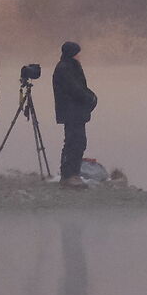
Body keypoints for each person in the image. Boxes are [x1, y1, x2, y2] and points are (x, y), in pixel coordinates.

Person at [51, 40, 96, 186]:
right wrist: (91, 98)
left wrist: (90, 97)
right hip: (71, 112)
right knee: (75, 142)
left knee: (76, 142)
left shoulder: (69, 67)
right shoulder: (66, 68)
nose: (79, 56)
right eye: (77, 53)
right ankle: (70, 175)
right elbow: (76, 90)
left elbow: (79, 88)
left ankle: (71, 174)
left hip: (74, 112)